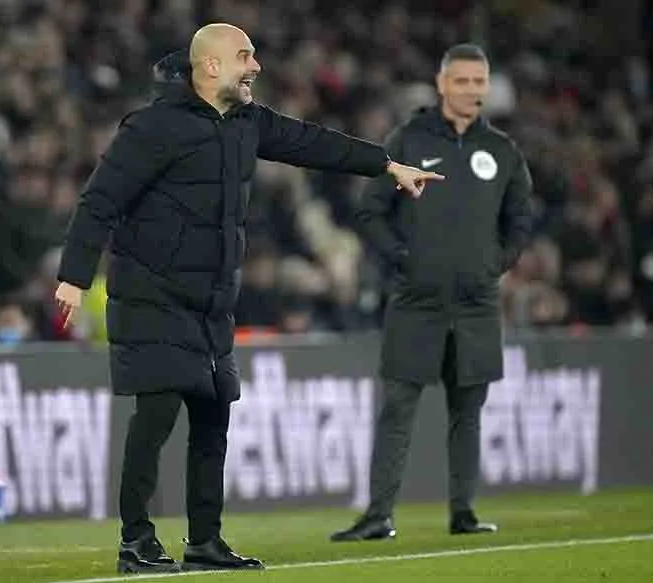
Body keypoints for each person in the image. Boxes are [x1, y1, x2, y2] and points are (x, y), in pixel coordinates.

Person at [54, 23, 443, 574]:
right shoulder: (153, 126)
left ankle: (203, 541)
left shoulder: (245, 122)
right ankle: (135, 541)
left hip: (211, 301)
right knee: (157, 416)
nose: (256, 66)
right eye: (245, 56)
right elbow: (99, 201)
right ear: (210, 66)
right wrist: (74, 275)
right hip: (151, 295)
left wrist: (385, 164)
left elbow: (312, 143)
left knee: (214, 418)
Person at [330, 43, 534, 542]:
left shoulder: (502, 151)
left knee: (468, 409)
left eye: (478, 82)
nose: (470, 90)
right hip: (416, 300)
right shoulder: (407, 139)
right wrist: (402, 258)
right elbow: (369, 209)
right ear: (442, 84)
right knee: (397, 404)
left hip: (476, 303)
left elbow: (521, 220)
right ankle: (378, 515)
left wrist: (497, 264)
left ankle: (463, 512)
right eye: (461, 81)